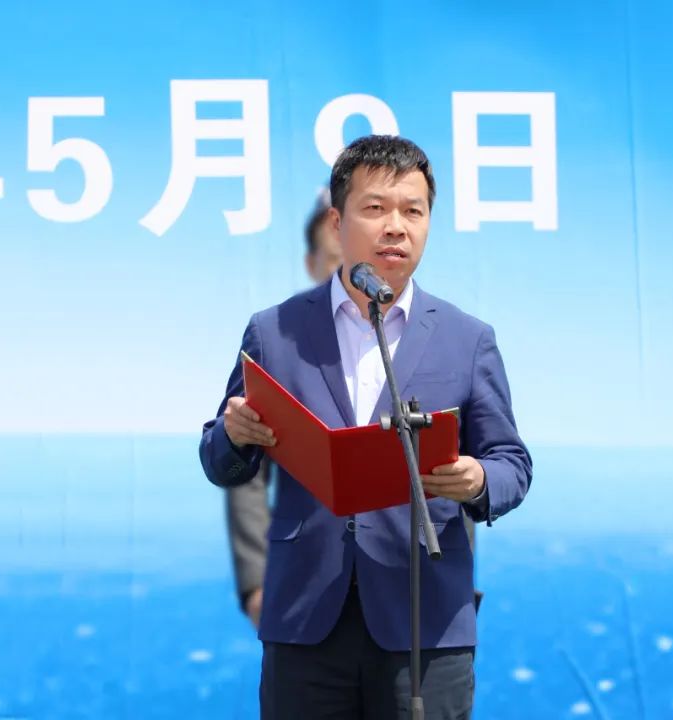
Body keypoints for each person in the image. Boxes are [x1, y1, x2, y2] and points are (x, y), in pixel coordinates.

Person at [201, 135, 531, 719]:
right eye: (375, 208)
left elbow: (511, 462)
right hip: (307, 618)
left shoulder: (467, 338)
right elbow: (219, 458)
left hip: (424, 620)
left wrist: (478, 479)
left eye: (413, 211)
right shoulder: (274, 331)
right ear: (337, 222)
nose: (396, 227)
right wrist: (234, 435)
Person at [225, 191, 343, 628]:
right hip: (304, 592)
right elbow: (247, 466)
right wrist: (257, 583)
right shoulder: (277, 338)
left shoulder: (424, 336)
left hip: (406, 597)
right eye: (335, 261)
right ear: (312, 264)